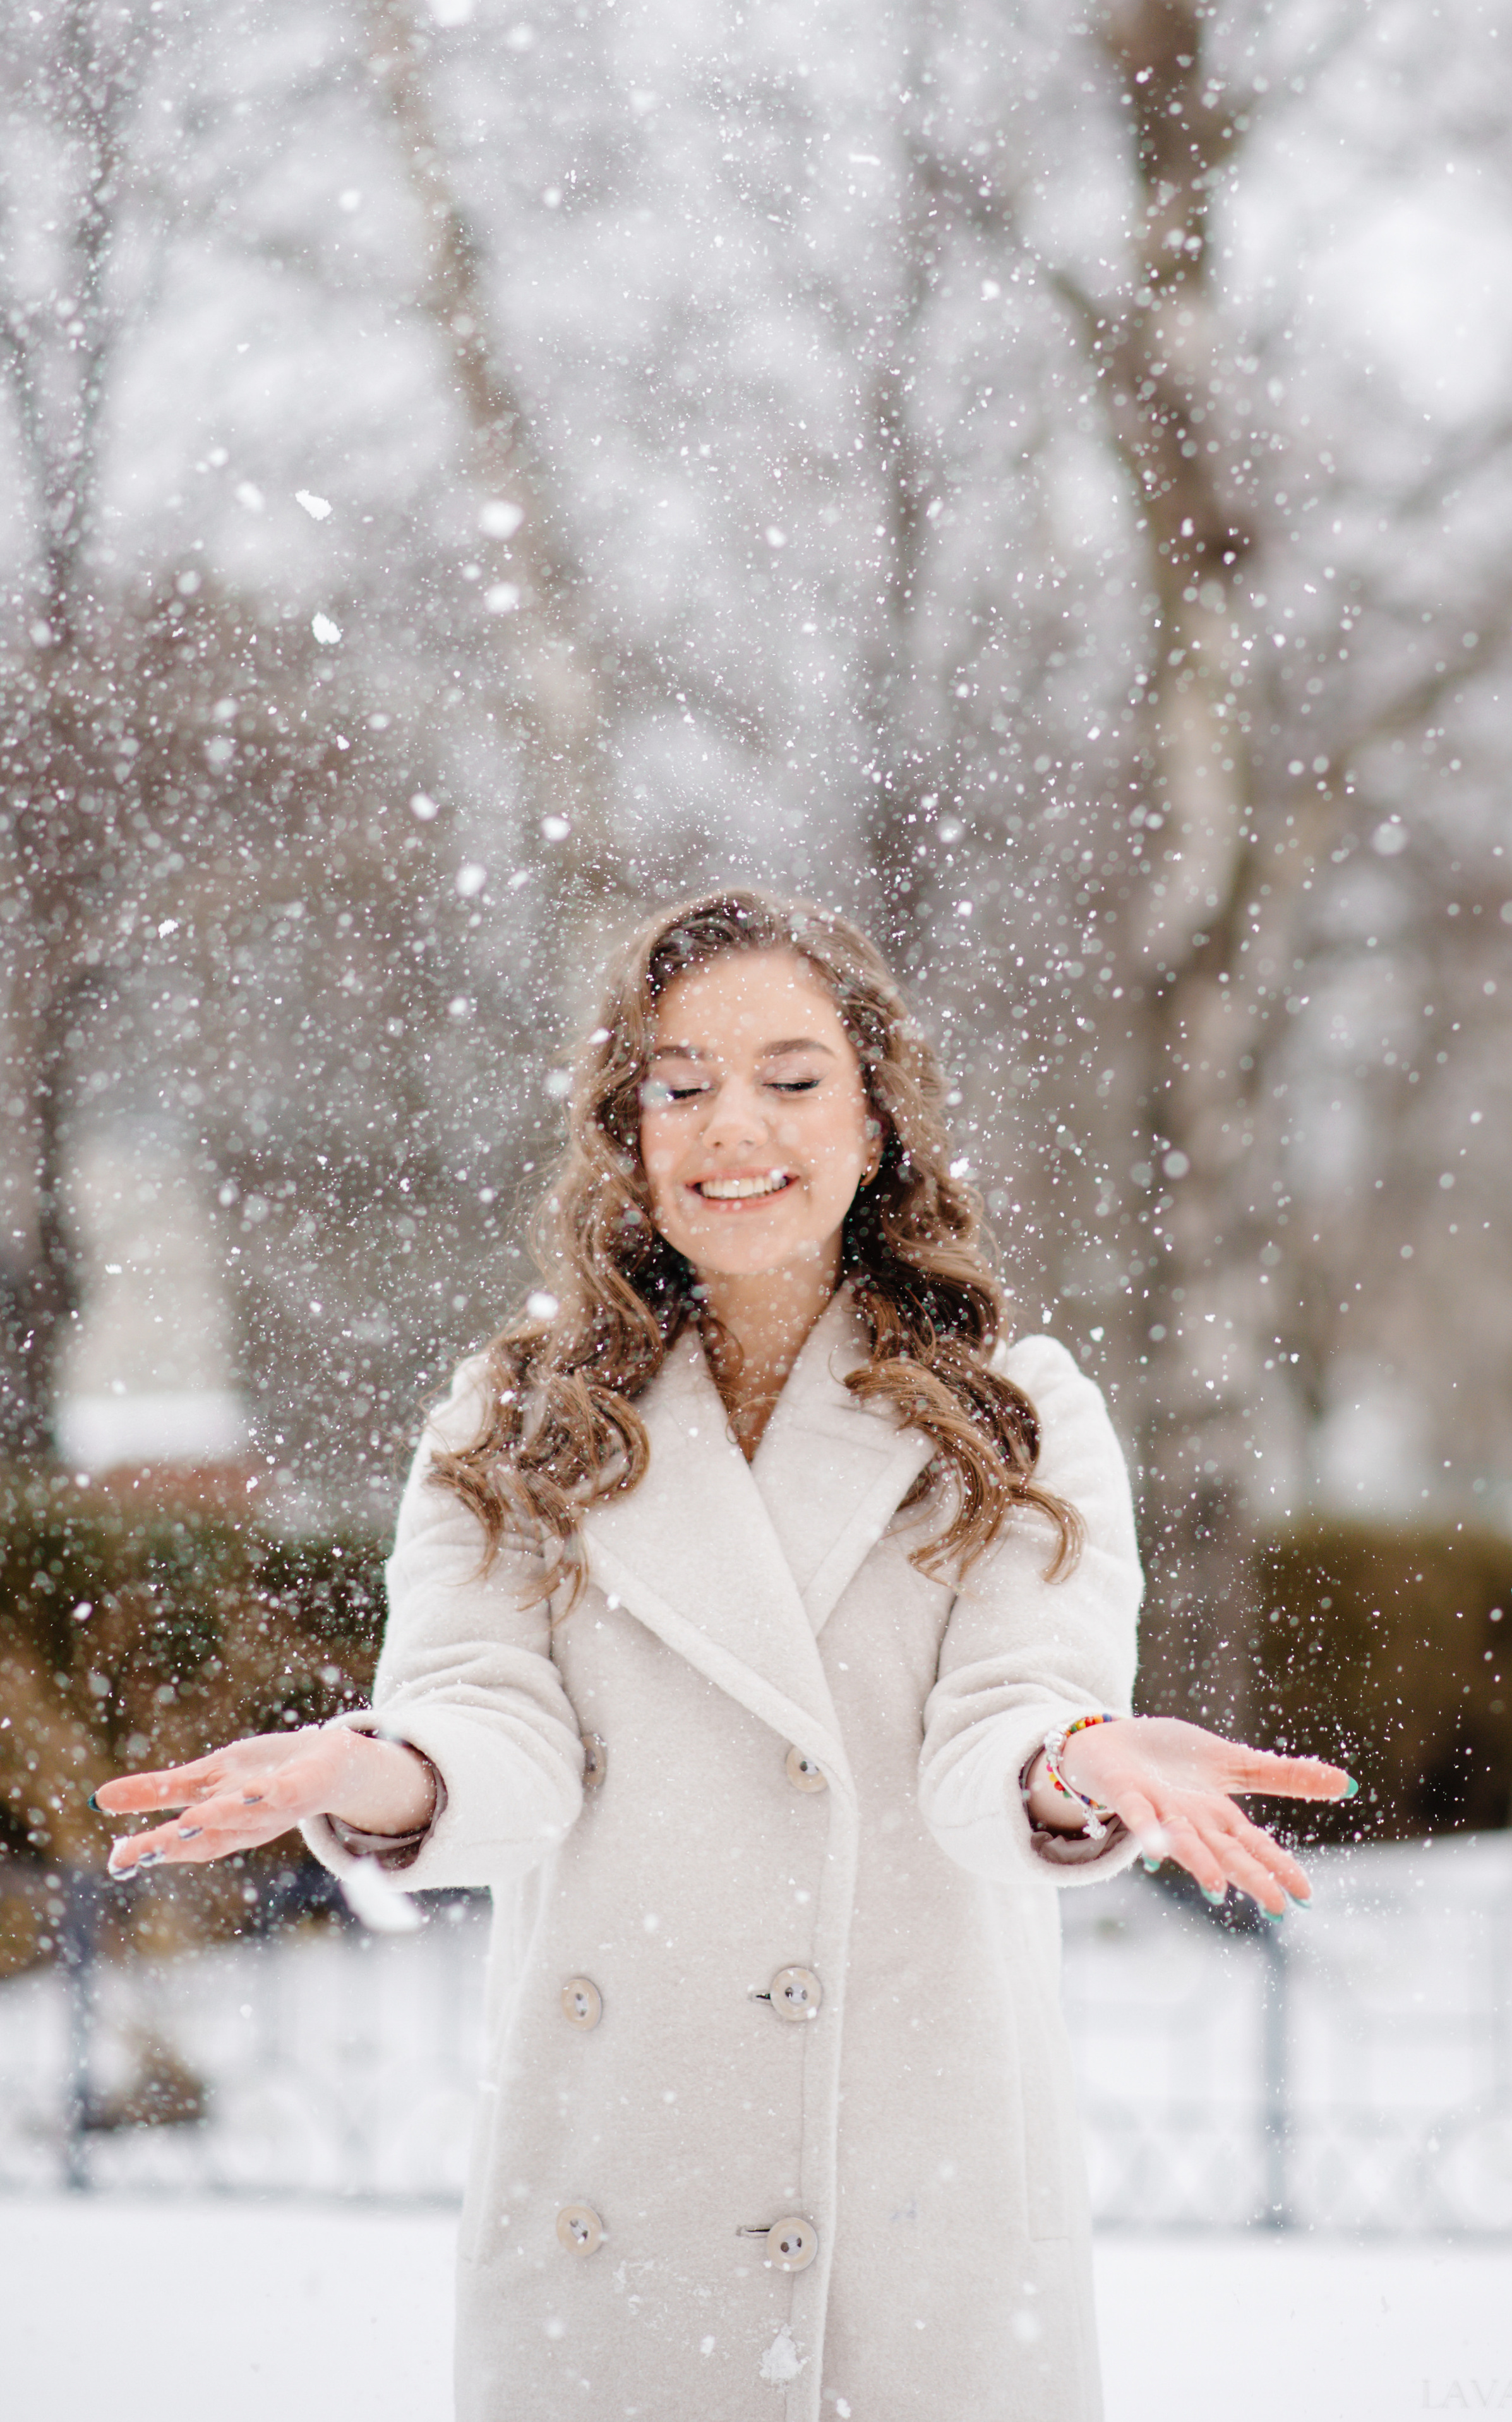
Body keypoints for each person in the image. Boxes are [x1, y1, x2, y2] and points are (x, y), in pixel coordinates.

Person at [98, 888, 1348, 2422]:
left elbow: (1003, 1721)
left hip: (910, 2197)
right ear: (624, 1125)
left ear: (876, 1119)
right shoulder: (514, 1415)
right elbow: (494, 1726)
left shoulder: (1012, 1413)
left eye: (790, 1077)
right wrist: (376, 1766)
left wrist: (1078, 1756)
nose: (727, 1125)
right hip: (615, 2192)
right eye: (677, 1083)